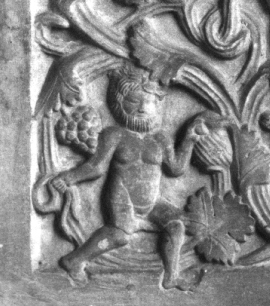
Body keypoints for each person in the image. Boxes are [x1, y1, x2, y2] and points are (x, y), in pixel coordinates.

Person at [50, 65, 205, 289]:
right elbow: (96, 167)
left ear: (157, 104)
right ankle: (74, 260)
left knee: (176, 226)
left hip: (152, 202)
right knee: (120, 235)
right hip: (122, 198)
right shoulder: (115, 135)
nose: (142, 108)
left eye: (148, 101)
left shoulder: (160, 139)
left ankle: (171, 277)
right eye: (133, 100)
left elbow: (176, 169)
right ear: (119, 102)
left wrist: (189, 140)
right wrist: (70, 177)